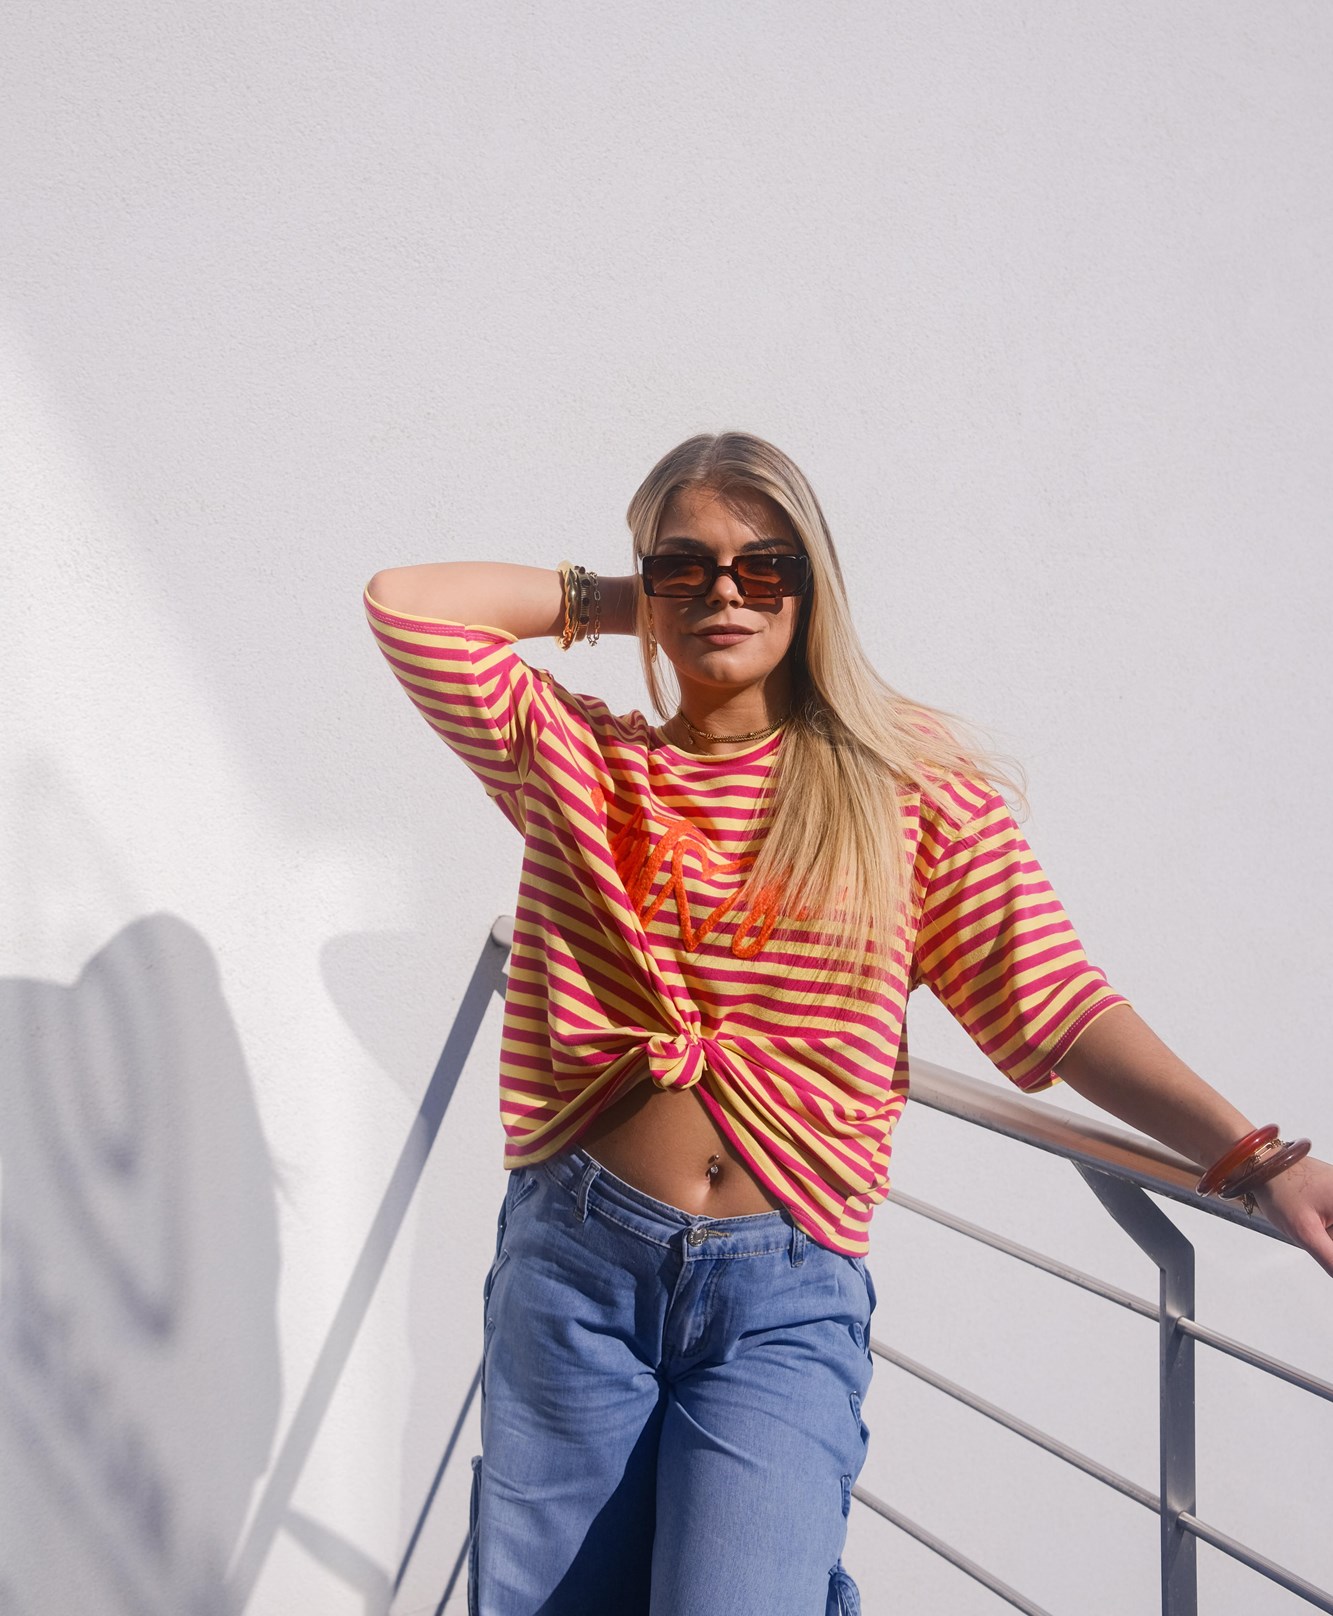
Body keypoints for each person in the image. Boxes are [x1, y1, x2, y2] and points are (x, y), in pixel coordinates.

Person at [364, 430, 1333, 1616]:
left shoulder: (904, 790)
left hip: (782, 1292)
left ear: (812, 582)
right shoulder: (580, 761)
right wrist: (633, 603)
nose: (726, 591)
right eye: (686, 564)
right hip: (577, 1265)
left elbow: (1059, 1003)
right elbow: (407, 606)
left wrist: (1254, 1155)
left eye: (764, 566)